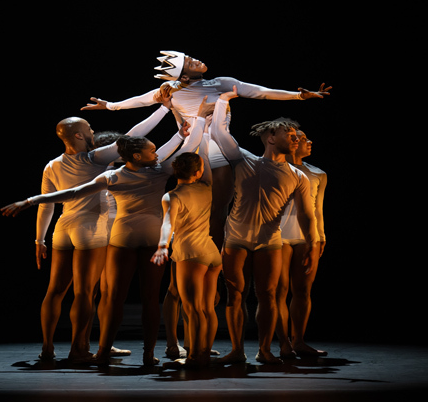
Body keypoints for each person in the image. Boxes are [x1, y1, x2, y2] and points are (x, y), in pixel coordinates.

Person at [1, 116, 205, 366]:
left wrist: (34, 214)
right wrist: (188, 125)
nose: (156, 152)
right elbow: (171, 147)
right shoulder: (138, 168)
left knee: (80, 293)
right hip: (108, 232)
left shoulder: (81, 170)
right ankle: (114, 351)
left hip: (85, 231)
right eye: (151, 150)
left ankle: (74, 349)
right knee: (105, 294)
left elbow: (65, 197)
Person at [81, 50, 331, 252]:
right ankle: (185, 253)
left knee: (220, 208)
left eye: (191, 57)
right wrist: (111, 106)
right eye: (189, 61)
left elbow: (261, 92)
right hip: (192, 152)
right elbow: (141, 100)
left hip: (219, 150)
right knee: (191, 206)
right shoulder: (172, 90)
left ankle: (219, 256)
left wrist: (298, 97)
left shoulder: (222, 83)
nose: (196, 59)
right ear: (184, 75)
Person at [25, 103, 172, 362]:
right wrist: (163, 109)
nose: (93, 131)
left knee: (55, 290)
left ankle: (48, 348)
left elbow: (47, 204)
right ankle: (78, 349)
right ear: (79, 136)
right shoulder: (93, 159)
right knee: (85, 292)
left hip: (62, 228)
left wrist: (39, 239)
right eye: (89, 129)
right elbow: (132, 136)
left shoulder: (51, 165)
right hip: (90, 228)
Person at [209, 86, 320, 365]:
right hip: (235, 238)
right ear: (271, 137)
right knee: (235, 294)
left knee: (268, 296)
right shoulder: (245, 160)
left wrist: (311, 243)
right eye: (290, 135)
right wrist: (223, 101)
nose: (295, 139)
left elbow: (308, 215)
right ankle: (237, 350)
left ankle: (265, 349)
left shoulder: (298, 176)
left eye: (297, 136)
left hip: (269, 240)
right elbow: (220, 134)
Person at [152, 98, 221, 368]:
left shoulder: (172, 195)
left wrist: (162, 247)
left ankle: (195, 356)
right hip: (211, 253)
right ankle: (203, 351)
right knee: (207, 307)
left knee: (192, 309)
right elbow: (205, 162)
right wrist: (203, 129)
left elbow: (167, 223)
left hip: (190, 253)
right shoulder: (207, 188)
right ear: (200, 171)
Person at [276, 129, 328, 358]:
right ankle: (282, 343)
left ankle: (299, 341)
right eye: (304, 138)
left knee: (303, 290)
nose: (309, 141)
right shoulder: (276, 168)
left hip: (307, 236)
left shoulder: (318, 174)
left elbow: (318, 207)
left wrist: (320, 235)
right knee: (279, 291)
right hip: (278, 235)